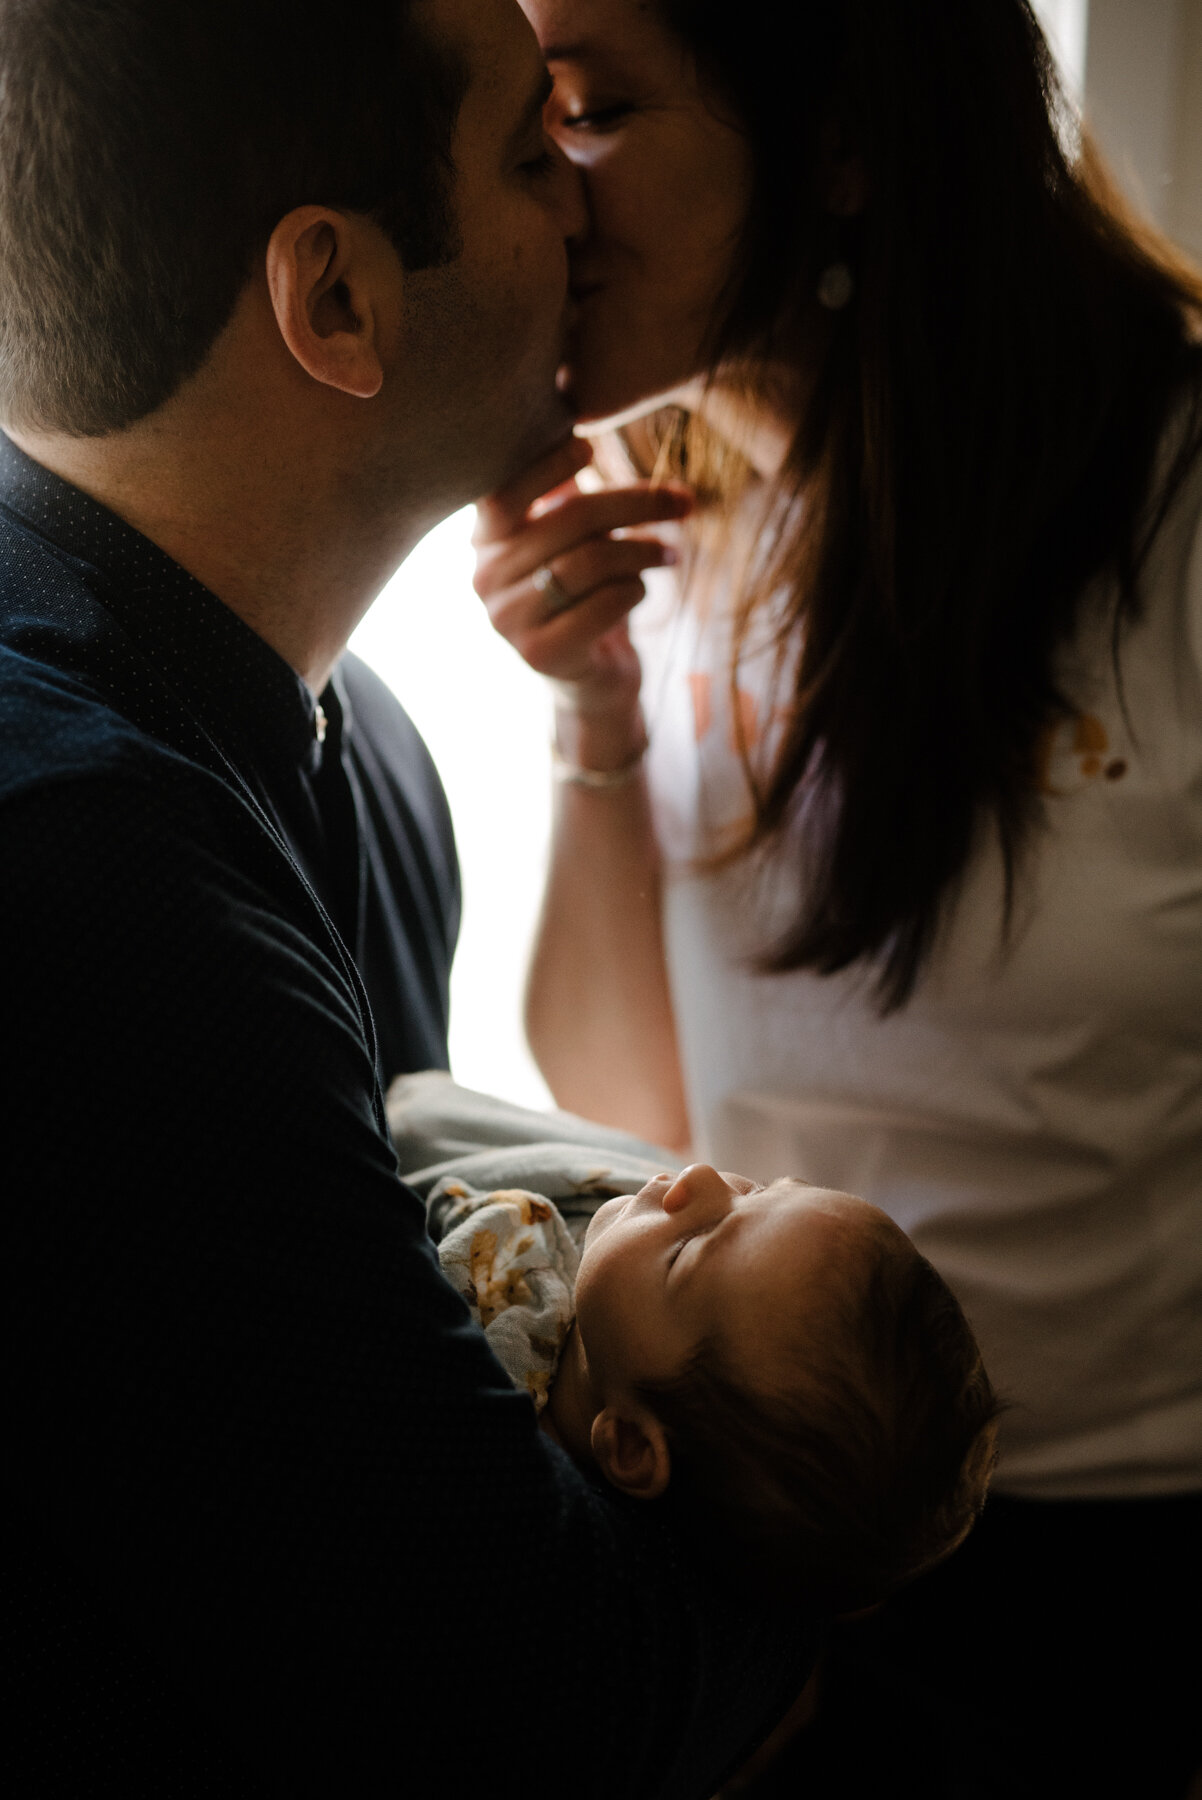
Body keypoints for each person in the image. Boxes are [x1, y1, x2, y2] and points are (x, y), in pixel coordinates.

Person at [0, 2, 822, 1793]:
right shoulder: (84, 881)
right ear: (339, 303)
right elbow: (505, 1700)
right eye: (538, 151)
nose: (589, 213)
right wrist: (852, 1531)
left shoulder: (355, 740)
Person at [472, 0, 1202, 1793]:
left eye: (589, 109)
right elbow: (630, 1118)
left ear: (847, 144)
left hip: (1126, 1556)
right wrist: (591, 720)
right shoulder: (663, 525)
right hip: (756, 1530)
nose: (536, 192)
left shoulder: (1170, 504)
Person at [433, 1162, 1000, 1615]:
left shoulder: (481, 1397)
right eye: (758, 1190)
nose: (700, 1177)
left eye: (689, 1251)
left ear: (630, 1445)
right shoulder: (626, 1299)